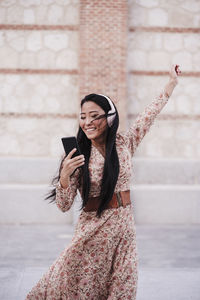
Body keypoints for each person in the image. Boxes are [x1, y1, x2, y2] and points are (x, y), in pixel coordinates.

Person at [26, 64, 181, 300]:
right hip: (92, 234)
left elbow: (148, 115)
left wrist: (171, 83)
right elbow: (64, 205)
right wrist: (65, 176)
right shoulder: (77, 155)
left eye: (94, 116)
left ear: (110, 118)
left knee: (123, 288)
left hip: (124, 231)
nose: (87, 122)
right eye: (83, 117)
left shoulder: (124, 144)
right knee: (83, 290)